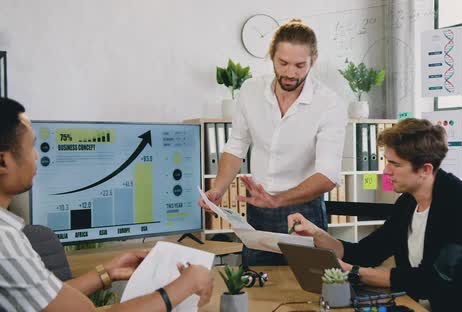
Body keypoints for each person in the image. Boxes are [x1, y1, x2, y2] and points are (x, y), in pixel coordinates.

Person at [0, 97, 214, 311]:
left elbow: (48, 300)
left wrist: (107, 273)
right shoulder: (5, 240)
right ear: (2, 161)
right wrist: (185, 285)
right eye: (31, 147)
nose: (37, 156)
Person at [288, 118, 462, 311]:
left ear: (425, 169)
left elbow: (431, 281)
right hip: (414, 305)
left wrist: (353, 272)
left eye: (395, 164)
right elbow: (366, 253)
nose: (386, 171)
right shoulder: (407, 203)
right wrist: (316, 234)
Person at [199, 18, 347, 266]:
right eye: (283, 63)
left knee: (311, 288)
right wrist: (218, 189)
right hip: (258, 210)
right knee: (257, 286)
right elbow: (236, 146)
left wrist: (277, 200)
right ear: (271, 57)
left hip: (305, 211)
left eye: (300, 65)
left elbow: (328, 174)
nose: (290, 73)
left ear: (314, 60)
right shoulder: (250, 91)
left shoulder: (329, 104)